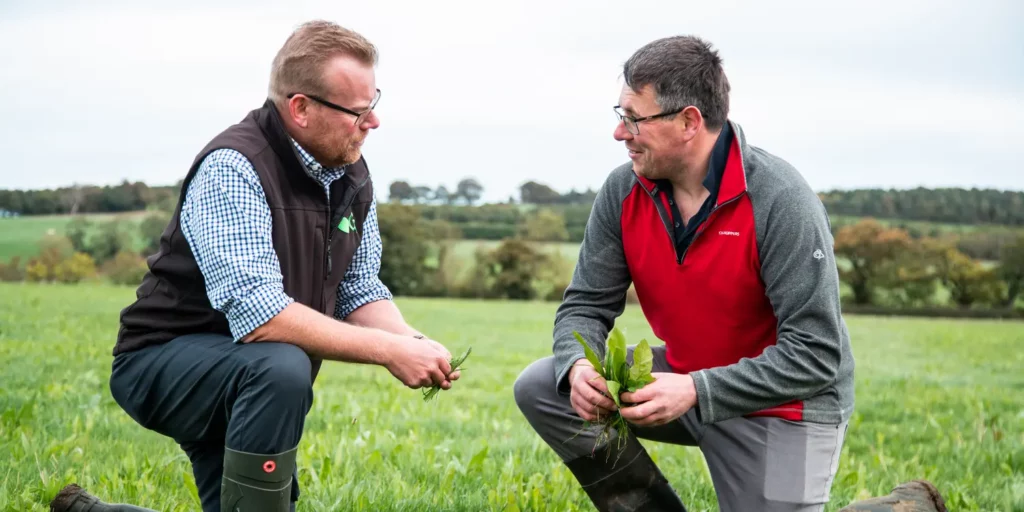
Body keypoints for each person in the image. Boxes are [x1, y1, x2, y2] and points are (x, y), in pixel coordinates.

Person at [50, 20, 460, 512]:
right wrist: (385, 352)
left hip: (250, 371)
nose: (373, 122)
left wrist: (408, 340)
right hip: (164, 362)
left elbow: (357, 287)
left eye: (375, 104)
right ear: (301, 108)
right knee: (281, 366)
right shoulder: (234, 167)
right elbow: (262, 317)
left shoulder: (349, 175)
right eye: (358, 111)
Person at [514, 35, 855, 512]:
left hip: (784, 407)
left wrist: (698, 389)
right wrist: (578, 364)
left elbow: (817, 354)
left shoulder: (781, 200)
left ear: (689, 121)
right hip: (682, 378)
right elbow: (585, 305)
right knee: (543, 385)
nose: (619, 133)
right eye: (620, 115)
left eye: (634, 118)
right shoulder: (622, 191)